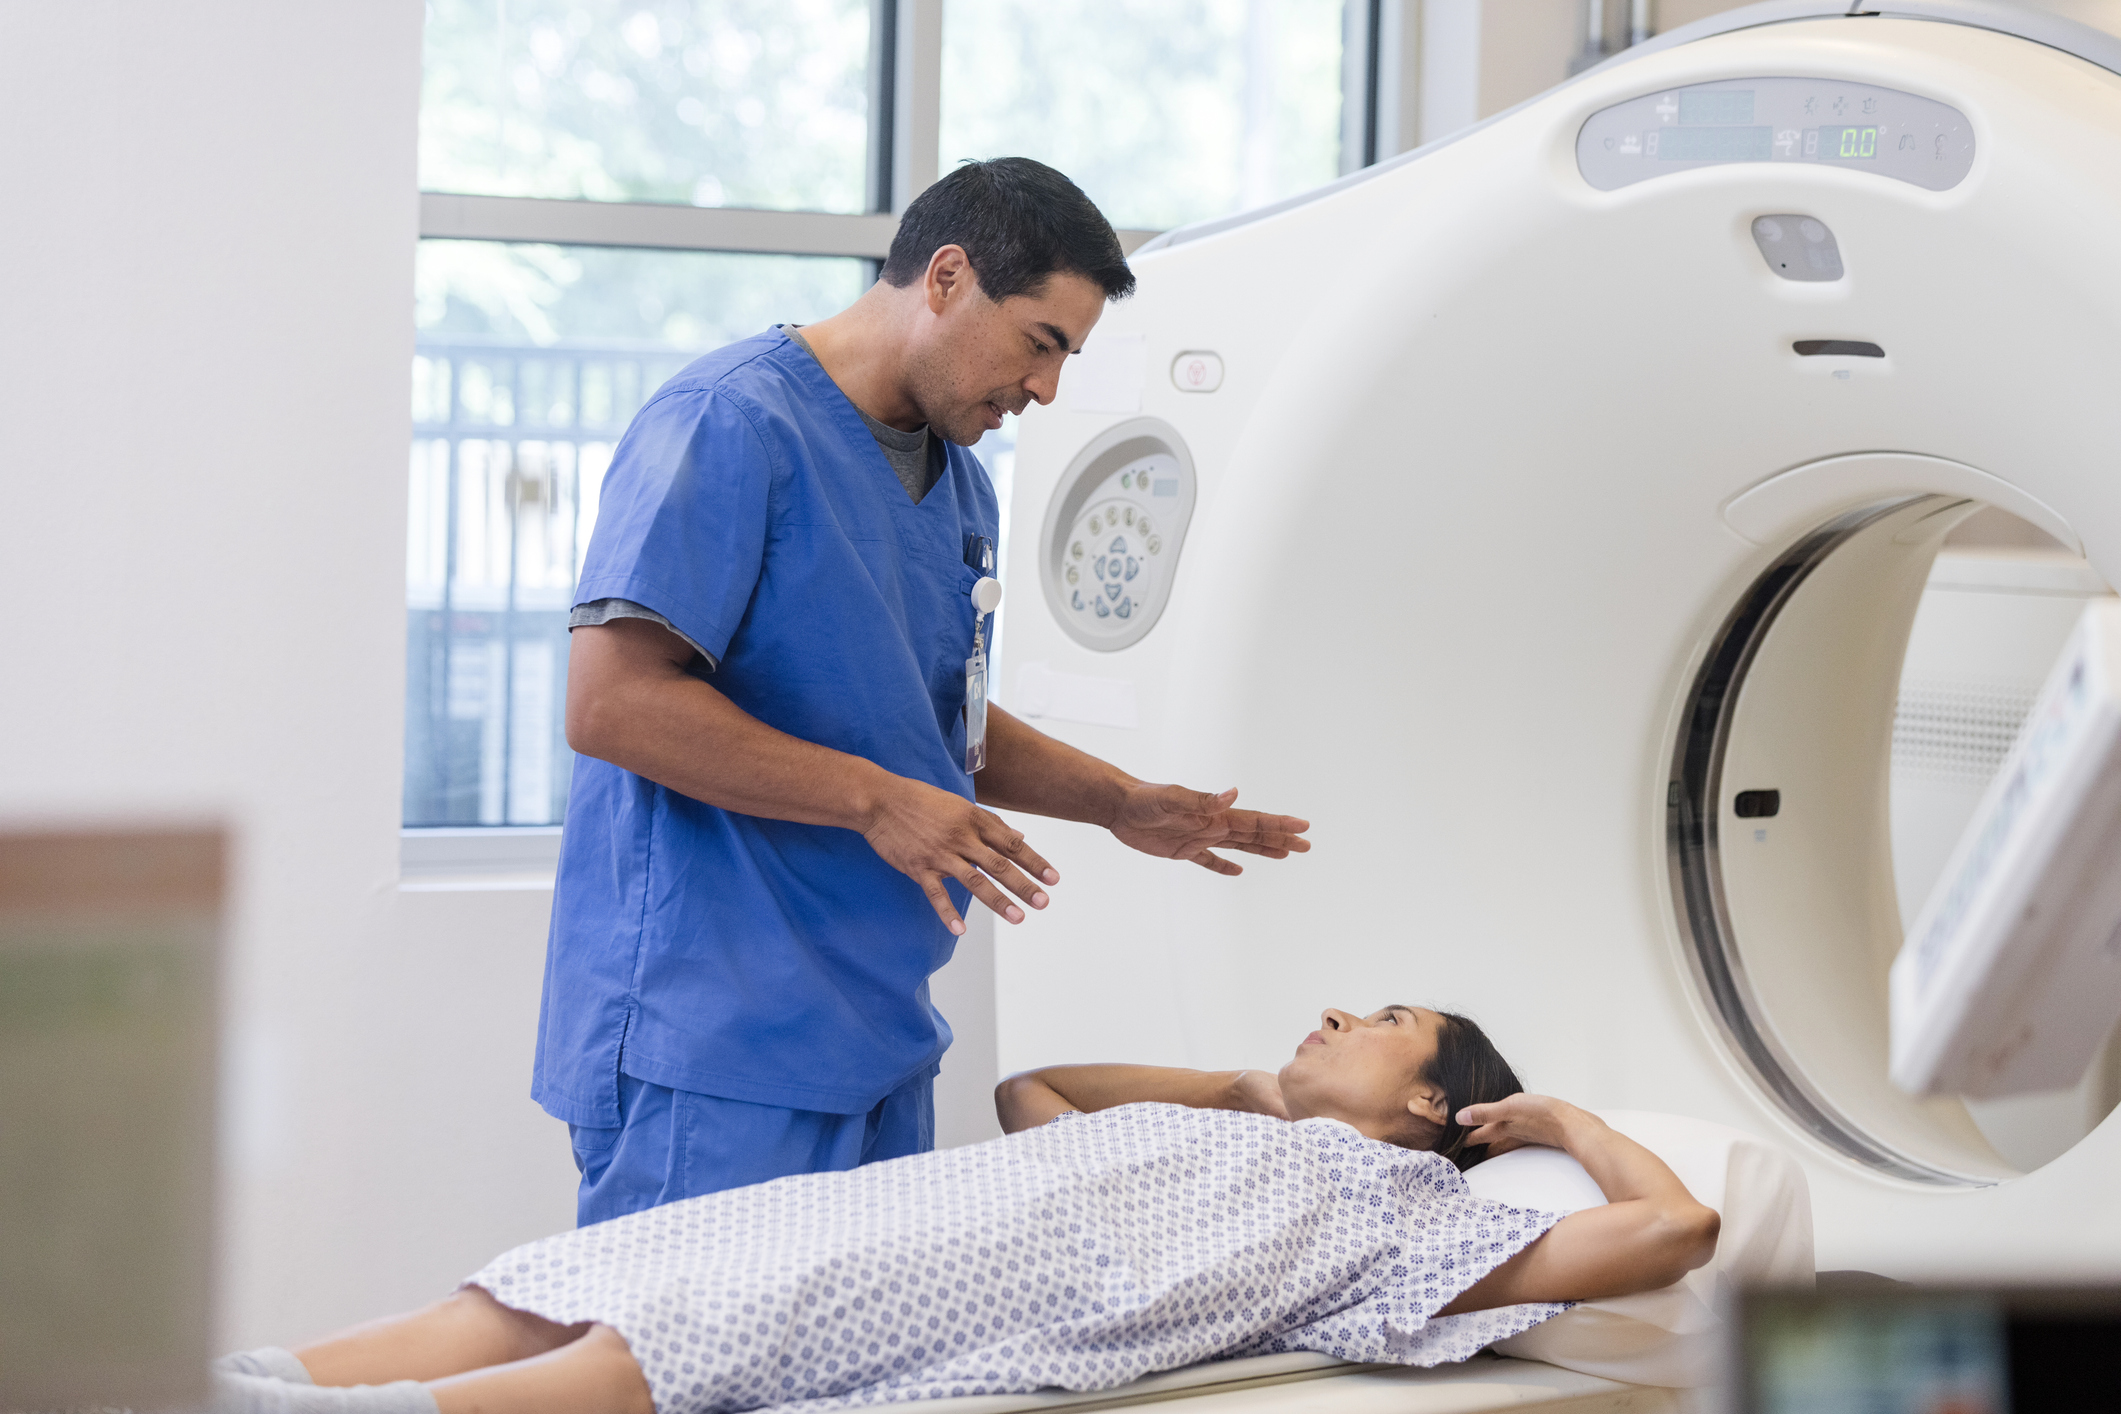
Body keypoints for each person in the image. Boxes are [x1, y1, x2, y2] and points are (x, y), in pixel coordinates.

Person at [541, 155, 1314, 1227]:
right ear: (946, 276)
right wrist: (877, 798)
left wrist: (1121, 803)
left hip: (877, 1032)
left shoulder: (958, 483)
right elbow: (612, 704)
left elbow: (925, 716)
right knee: (674, 1377)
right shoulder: (730, 424)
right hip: (715, 1031)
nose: (1045, 389)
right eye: (1042, 344)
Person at [204, 1005, 1720, 1414]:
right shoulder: (1240, 1119)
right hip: (954, 1194)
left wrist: (1571, 1123)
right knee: (636, 1247)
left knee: (726, 1315)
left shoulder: (1406, 1210)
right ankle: (269, 1376)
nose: (1336, 1008)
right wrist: (1251, 1083)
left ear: (1430, 1107)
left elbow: (1677, 1234)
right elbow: (1033, 1099)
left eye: (1384, 1015)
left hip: (1021, 1276)